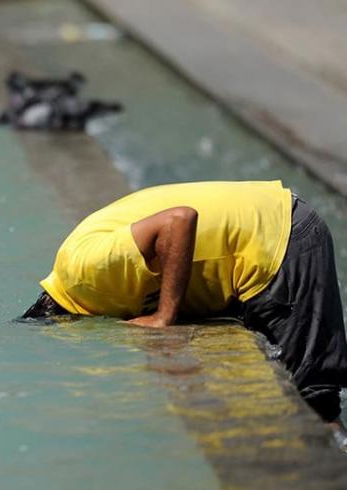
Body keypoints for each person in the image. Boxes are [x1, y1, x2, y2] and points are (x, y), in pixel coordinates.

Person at [23, 180, 347, 424]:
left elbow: (179, 220)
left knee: (311, 400)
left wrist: (164, 316)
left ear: (63, 321)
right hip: (263, 232)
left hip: (278, 239)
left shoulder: (84, 274)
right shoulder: (82, 276)